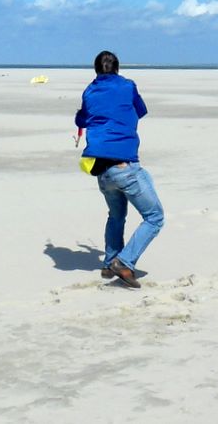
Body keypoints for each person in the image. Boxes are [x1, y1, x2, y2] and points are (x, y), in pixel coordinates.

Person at [74, 50, 164, 289]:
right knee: (155, 217)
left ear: (96, 70)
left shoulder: (90, 90)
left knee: (116, 216)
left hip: (101, 170)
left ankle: (109, 262)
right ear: (117, 68)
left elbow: (81, 120)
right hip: (123, 166)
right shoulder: (127, 86)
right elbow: (141, 110)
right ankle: (123, 262)